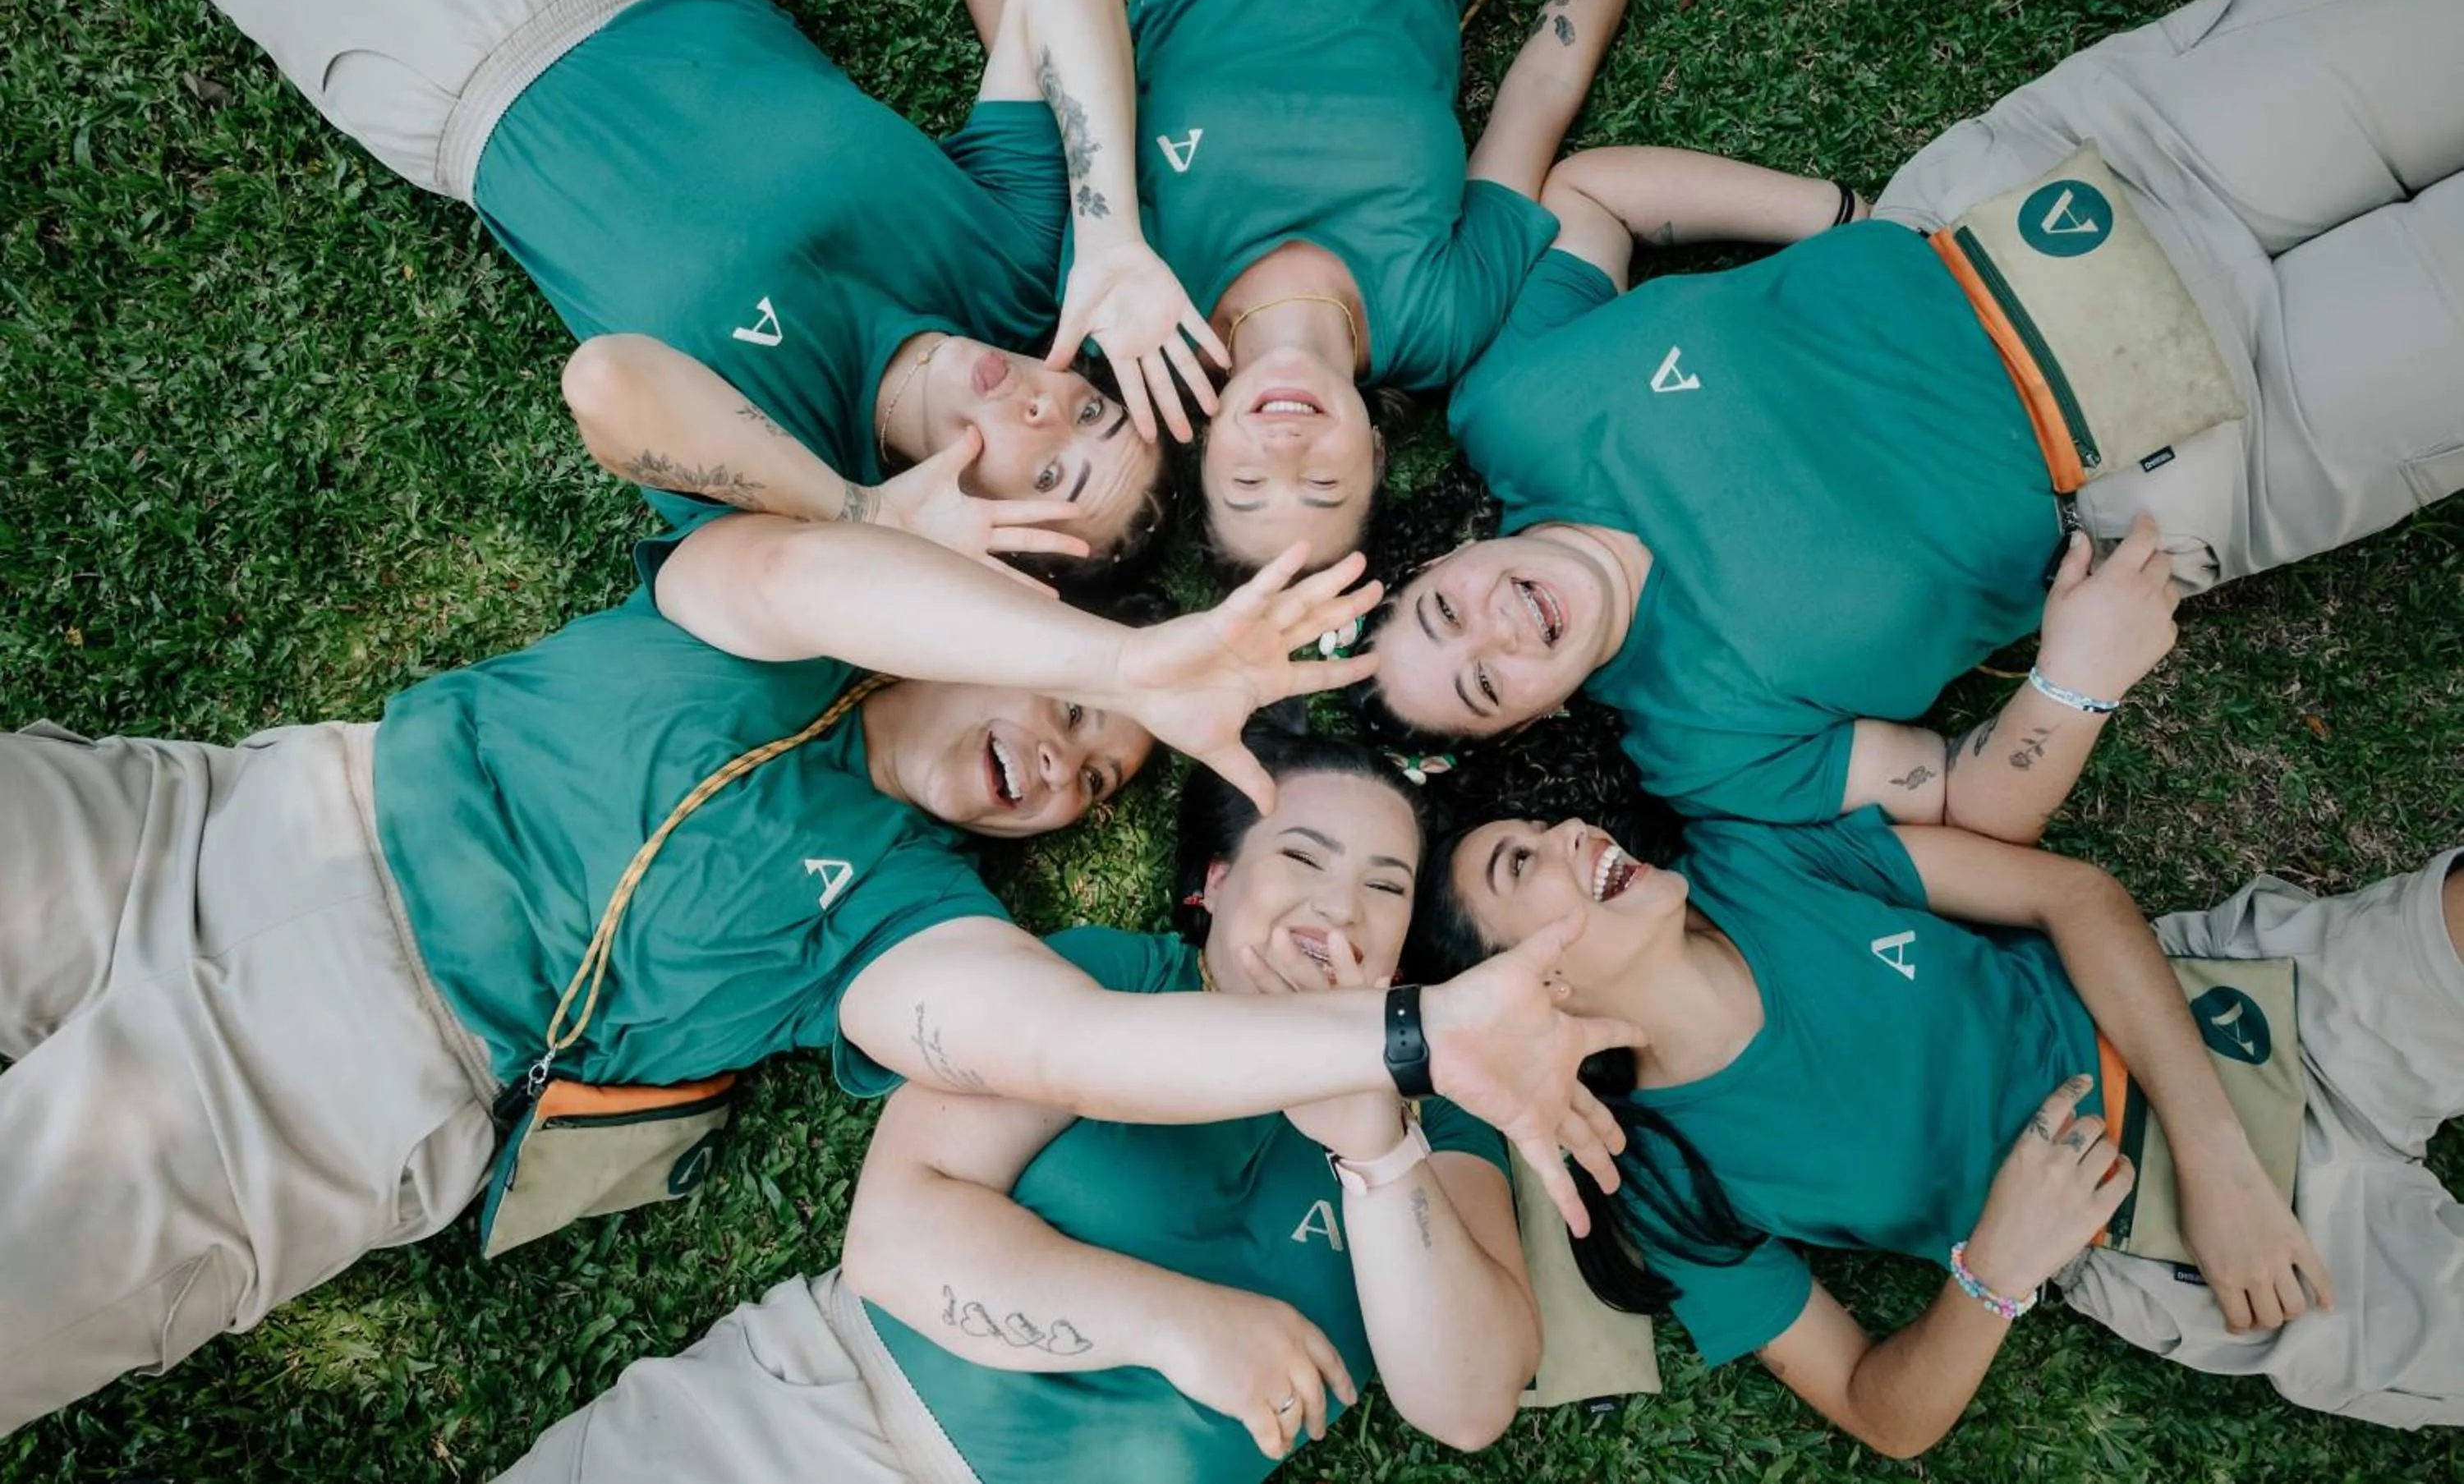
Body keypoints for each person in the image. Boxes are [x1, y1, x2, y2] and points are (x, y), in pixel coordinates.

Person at [0, 544, 1636, 1435]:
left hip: (347, 1062)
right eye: (1071, 721)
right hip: (219, 813)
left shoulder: (910, 920)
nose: (1063, 765)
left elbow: (1071, 1043)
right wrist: (1114, 662)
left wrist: (1398, 1065)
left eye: (1097, 777)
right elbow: (766, 548)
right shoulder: (783, 619)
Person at [1363, 0, 2464, 835]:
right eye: (1482, 682)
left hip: (2082, 185)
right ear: (1528, 725)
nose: (1496, 627)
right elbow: (1963, 799)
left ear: (1441, 556)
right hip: (2211, 443)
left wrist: (1844, 215)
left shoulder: (1514, 409)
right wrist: (2077, 678)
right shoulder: (1704, 743)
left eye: (1441, 612)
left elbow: (1587, 197)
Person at [95, 0, 1216, 590]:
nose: (1048, 409)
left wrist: (861, 516)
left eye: (1051, 474)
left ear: (998, 532)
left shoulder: (790, 465)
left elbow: (605, 386)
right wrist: (1111, 232)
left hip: (433, 32)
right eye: (1094, 418)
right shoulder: (1022, 277)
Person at [499, 732, 1541, 1482]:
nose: (1337, 909)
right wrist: (1181, 1326)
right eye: (1302, 858)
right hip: (805, 1428)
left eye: (1385, 887)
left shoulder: (1442, 1118)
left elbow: (1468, 1403)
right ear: (1213, 882)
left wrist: (1377, 1145)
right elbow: (899, 1241)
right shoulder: (1104, 979)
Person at [1412, 782, 2464, 1446]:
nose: (1572, 831)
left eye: (1546, 822)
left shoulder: (1753, 861)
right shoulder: (1668, 1180)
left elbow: (2079, 898)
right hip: (2159, 1238)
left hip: (2226, 1007)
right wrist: (1995, 1274)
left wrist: (2218, 1153)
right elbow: (1881, 1411)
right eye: (1525, 863)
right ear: (1525, 990)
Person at [915, 0, 1721, 574]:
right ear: (1375, 456)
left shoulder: (1134, 311)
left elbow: (1045, 61)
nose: (1287, 447)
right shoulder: (1439, 320)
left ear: (1203, 448)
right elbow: (1539, 95)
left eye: (1250, 482)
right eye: (1324, 484)